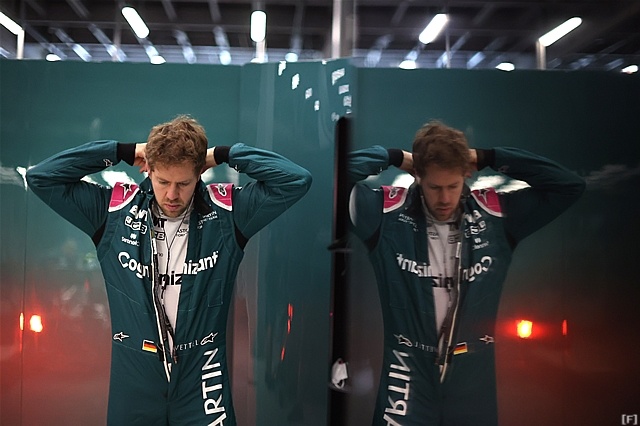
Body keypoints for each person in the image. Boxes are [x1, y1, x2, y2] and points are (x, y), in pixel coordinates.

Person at [26, 115, 312, 425]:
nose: (172, 195)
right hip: (135, 376)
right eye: (163, 182)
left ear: (199, 174)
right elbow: (42, 177)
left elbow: (296, 180)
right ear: (148, 170)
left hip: (202, 374)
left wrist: (223, 154)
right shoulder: (114, 212)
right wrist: (120, 151)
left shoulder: (227, 214)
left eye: (183, 183)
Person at [348, 120, 585, 425]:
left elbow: (569, 186)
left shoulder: (496, 215)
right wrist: (394, 156)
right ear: (417, 176)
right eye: (435, 187)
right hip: (406, 371)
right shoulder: (386, 213)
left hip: (472, 375)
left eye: (453, 186)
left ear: (466, 175)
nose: (444, 198)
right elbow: (336, 175)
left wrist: (489, 156)